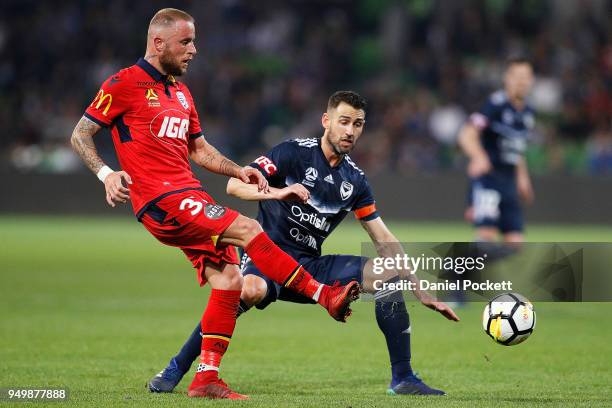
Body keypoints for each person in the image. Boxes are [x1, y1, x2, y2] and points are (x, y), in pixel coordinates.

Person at [70, 8, 360, 400]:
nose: (194, 50)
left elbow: (199, 149)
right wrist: (107, 174)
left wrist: (238, 171)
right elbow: (81, 134)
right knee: (249, 229)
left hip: (189, 195)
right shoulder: (124, 83)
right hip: (161, 198)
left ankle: (206, 377)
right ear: (158, 43)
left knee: (230, 280)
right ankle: (324, 295)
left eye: (194, 41)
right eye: (186, 42)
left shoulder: (181, 93)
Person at [148, 91, 460, 396]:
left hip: (309, 266)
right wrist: (277, 192)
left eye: (358, 124)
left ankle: (403, 378)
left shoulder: (356, 181)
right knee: (248, 289)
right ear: (326, 121)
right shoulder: (292, 153)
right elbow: (234, 186)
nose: (350, 131)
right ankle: (175, 368)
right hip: (265, 257)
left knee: (386, 274)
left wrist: (420, 289)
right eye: (344, 121)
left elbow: (383, 238)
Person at [458, 58, 536, 243]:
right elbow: (466, 134)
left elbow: (517, 149)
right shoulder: (495, 104)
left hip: (509, 182)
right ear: (506, 78)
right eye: (517, 76)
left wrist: (523, 178)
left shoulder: (528, 112)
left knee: (515, 242)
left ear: (532, 80)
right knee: (486, 237)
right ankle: (456, 267)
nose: (522, 81)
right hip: (489, 181)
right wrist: (479, 156)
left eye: (526, 77)